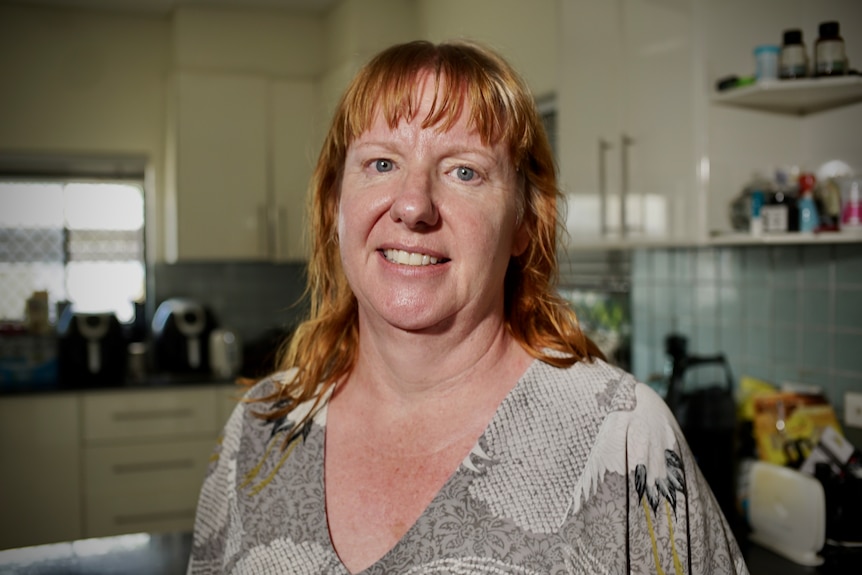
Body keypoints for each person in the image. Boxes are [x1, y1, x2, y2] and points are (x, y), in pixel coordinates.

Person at [187, 40, 748, 574]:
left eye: (464, 171)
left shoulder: (623, 438)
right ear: (335, 202)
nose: (413, 204)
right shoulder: (260, 432)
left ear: (525, 223)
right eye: (382, 163)